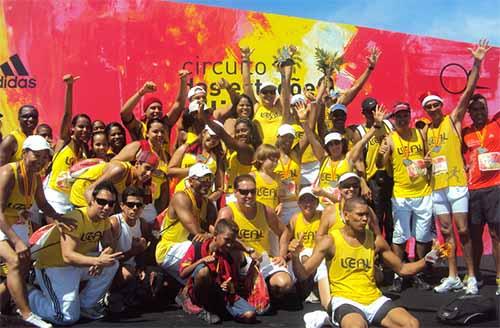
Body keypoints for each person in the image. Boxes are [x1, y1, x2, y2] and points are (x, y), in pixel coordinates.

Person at [289, 197, 444, 328]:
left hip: (373, 299)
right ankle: (329, 318)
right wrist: (295, 257)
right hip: (345, 299)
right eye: (360, 215)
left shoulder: (375, 240)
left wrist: (427, 260)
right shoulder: (330, 241)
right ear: (346, 215)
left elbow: (403, 269)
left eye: (367, 215)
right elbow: (303, 274)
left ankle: (331, 320)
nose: (364, 219)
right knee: (358, 326)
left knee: (412, 324)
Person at [421, 39, 490, 294]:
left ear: (441, 105)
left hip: (457, 184)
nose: (432, 108)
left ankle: (471, 275)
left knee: (462, 230)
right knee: (446, 233)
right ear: (426, 110)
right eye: (428, 106)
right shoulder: (427, 130)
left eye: (435, 104)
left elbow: (469, 90)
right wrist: (426, 164)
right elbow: (429, 158)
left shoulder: (454, 119)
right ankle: (452, 275)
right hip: (437, 187)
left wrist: (477, 62)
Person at [0, 136, 72, 328]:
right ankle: (27, 314)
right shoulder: (8, 172)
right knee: (14, 261)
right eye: (36, 156)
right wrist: (17, 241)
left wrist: (62, 218)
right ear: (24, 153)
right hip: (2, 221)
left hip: (13, 222)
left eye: (44, 158)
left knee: (23, 265)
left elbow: (43, 205)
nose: (40, 162)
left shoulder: (35, 177)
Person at [28, 181, 121, 325]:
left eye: (111, 203)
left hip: (77, 264)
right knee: (64, 318)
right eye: (102, 202)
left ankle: (86, 305)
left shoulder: (104, 220)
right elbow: (68, 255)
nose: (106, 207)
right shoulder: (76, 218)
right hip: (54, 266)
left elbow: (109, 245)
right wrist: (97, 261)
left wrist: (103, 258)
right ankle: (28, 293)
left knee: (112, 263)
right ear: (91, 201)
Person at [377, 102, 433, 292]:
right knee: (400, 235)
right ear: (394, 119)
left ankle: (417, 272)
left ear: (410, 116)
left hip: (423, 192)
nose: (402, 119)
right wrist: (381, 154)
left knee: (423, 236)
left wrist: (428, 162)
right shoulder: (390, 139)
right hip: (401, 194)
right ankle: (398, 273)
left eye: (404, 115)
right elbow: (379, 164)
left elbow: (429, 157)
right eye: (398, 116)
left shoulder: (420, 134)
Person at [217, 174, 294, 302]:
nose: (249, 196)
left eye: (253, 191)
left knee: (284, 284)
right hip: (240, 260)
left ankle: (263, 291)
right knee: (236, 255)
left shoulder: (265, 210)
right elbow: (218, 237)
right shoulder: (227, 212)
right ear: (235, 192)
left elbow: (284, 232)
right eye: (244, 192)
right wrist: (247, 250)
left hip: (263, 258)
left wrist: (282, 255)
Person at [305, 104, 387, 207]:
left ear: (342, 143)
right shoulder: (324, 158)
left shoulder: (348, 158)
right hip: (322, 206)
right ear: (327, 147)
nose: (334, 146)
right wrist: (304, 121)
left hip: (343, 205)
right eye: (331, 144)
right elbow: (311, 138)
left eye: (337, 143)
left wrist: (376, 125)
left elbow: (363, 141)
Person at [179, 219, 256, 324]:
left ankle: (219, 310)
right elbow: (182, 273)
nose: (229, 245)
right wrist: (201, 260)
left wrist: (228, 286)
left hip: (220, 294)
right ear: (215, 235)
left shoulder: (228, 256)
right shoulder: (198, 247)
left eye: (232, 241)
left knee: (249, 314)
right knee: (203, 271)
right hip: (201, 290)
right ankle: (197, 304)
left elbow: (232, 285)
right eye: (226, 240)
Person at [463, 94, 500, 296]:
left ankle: (499, 277)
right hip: (474, 190)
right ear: (469, 113)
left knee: (496, 235)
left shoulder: (496, 124)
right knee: (474, 236)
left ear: (487, 109)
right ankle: (473, 275)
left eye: (482, 108)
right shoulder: (466, 133)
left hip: (495, 187)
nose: (479, 112)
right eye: (475, 109)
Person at [155, 163, 217, 284]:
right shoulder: (181, 197)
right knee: (206, 250)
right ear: (191, 181)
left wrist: (215, 236)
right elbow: (196, 231)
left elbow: (215, 231)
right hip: (169, 249)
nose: (207, 183)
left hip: (187, 249)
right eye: (203, 179)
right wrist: (212, 236)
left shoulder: (208, 203)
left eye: (209, 179)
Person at [44, 75, 91, 214]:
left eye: (88, 127)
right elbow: (67, 114)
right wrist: (70, 87)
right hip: (53, 197)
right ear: (72, 128)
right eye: (81, 127)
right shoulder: (65, 140)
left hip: (70, 201)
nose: (85, 130)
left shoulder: (85, 150)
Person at [353, 97, 394, 244]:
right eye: (369, 112)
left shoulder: (388, 125)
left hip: (390, 176)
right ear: (363, 113)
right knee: (375, 220)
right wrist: (363, 183)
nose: (373, 114)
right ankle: (375, 255)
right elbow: (358, 159)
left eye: (375, 110)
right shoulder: (359, 131)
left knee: (391, 219)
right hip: (372, 179)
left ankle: (391, 256)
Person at [120, 70, 190, 151]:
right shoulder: (139, 127)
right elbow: (124, 113)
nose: (157, 111)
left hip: (164, 163)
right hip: (144, 163)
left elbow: (179, 104)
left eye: (159, 109)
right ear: (145, 112)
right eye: (153, 108)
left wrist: (184, 81)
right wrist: (141, 93)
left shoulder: (165, 124)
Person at [70, 150, 159, 209]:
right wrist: (94, 213)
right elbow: (89, 190)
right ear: (137, 164)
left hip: (97, 198)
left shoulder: (136, 181)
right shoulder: (119, 170)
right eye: (147, 168)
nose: (149, 174)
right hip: (82, 192)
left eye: (153, 171)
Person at [286, 187, 329, 308]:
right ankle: (307, 290)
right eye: (304, 201)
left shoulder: (323, 216)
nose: (308, 204)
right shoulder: (295, 218)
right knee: (304, 257)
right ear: (299, 203)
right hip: (302, 252)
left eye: (311, 200)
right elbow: (286, 235)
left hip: (318, 252)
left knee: (312, 259)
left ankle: (314, 289)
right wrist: (284, 254)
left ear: (317, 203)